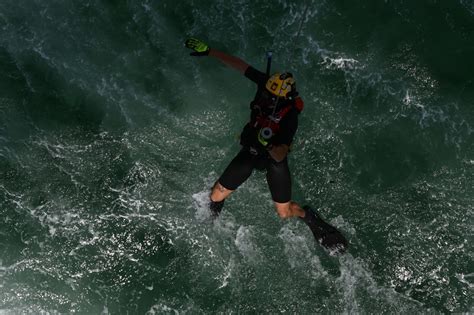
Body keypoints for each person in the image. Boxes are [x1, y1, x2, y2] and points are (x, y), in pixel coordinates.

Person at [185, 38, 347, 253]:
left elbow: (281, 154)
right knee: (215, 195)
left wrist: (267, 143)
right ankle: (208, 225)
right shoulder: (267, 84)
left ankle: (309, 217)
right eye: (269, 94)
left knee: (284, 211)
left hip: (272, 158)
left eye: (274, 98)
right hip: (251, 151)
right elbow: (240, 65)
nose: (270, 99)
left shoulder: (290, 117)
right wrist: (210, 51)